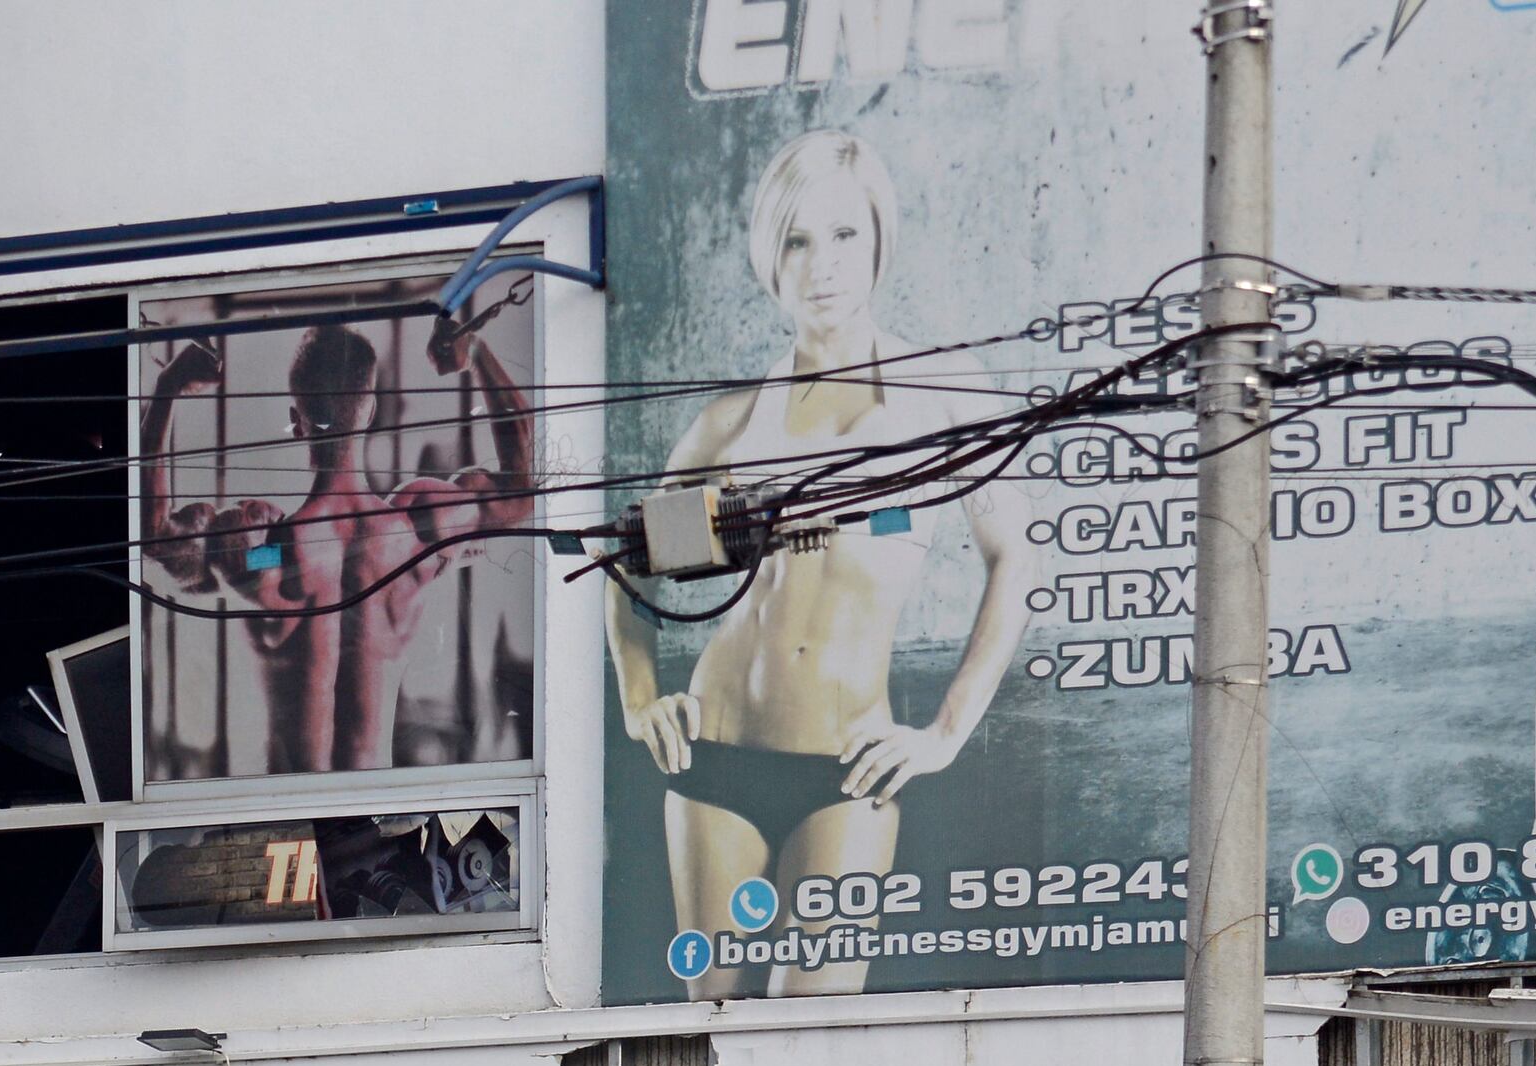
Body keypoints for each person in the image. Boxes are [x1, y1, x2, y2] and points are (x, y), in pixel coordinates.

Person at [609, 124, 1042, 996]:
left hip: (847, 770)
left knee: (814, 1045)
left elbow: (1015, 559)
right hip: (717, 758)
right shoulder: (736, 424)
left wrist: (947, 732)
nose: (823, 266)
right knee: (717, 1038)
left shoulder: (937, 400)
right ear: (773, 258)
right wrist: (641, 697)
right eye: (798, 241)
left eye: (844, 235)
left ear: (879, 237)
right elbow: (628, 562)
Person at [140, 304, 538, 776]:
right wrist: (476, 353)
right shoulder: (416, 534)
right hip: (372, 808)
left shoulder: (263, 554)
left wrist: (169, 387)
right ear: (370, 409)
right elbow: (519, 487)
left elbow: (158, 536)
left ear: (298, 419)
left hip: (290, 814)